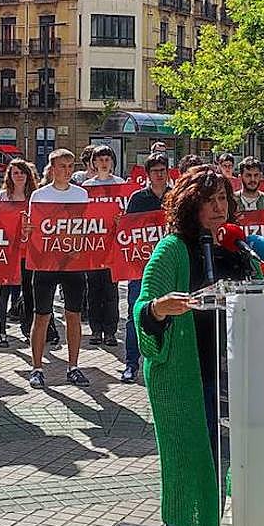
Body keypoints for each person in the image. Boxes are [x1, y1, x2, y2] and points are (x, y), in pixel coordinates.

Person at [135, 165, 260, 526]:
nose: (219, 207)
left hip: (232, 377)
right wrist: (159, 308)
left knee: (227, 467)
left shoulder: (237, 249)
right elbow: (142, 311)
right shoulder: (171, 249)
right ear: (192, 206)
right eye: (209, 200)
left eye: (223, 198)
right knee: (189, 471)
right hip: (185, 378)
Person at [27, 149, 91, 389]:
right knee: (41, 315)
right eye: (62, 166)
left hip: (73, 262)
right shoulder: (39, 196)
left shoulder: (82, 194)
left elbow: (89, 227)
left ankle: (73, 367)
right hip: (45, 263)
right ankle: (37, 368)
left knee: (73, 315)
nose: (67, 170)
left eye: (70, 166)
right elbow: (33, 230)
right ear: (52, 169)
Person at [121, 153, 170, 384]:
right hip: (140, 267)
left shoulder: (175, 197)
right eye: (155, 170)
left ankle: (165, 361)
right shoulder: (138, 198)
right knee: (136, 313)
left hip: (168, 266)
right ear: (148, 174)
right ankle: (131, 363)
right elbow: (128, 230)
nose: (159, 174)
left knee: (169, 313)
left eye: (163, 169)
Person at [82, 145, 124, 346]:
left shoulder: (121, 185)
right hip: (93, 246)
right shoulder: (87, 187)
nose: (103, 163)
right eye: (100, 159)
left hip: (112, 247)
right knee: (93, 290)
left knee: (110, 290)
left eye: (107, 159)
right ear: (94, 163)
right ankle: (95, 330)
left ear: (112, 162)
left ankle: (110, 331)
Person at [0, 159, 36, 346]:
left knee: (28, 292)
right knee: (4, 291)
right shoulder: (2, 196)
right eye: (15, 173)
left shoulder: (35, 197)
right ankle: (2, 331)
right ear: (9, 176)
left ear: (28, 175)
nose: (19, 176)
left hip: (28, 252)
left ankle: (28, 329)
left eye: (22, 172)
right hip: (7, 251)